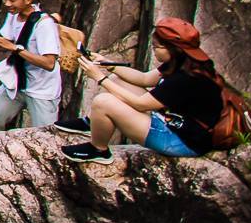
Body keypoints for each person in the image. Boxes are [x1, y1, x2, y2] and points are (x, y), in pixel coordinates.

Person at [62, 19, 229, 163]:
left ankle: (98, 150)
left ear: (172, 49)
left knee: (103, 102)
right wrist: (109, 65)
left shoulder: (186, 78)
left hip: (183, 141)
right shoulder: (185, 62)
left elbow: (140, 104)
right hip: (177, 125)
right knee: (117, 80)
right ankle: (93, 123)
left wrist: (100, 78)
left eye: (156, 47)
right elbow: (144, 79)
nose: (154, 50)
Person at [0, 0, 62, 130]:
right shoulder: (13, 15)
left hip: (41, 88)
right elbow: (7, 44)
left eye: (12, 0)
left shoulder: (44, 24)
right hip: (16, 81)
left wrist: (15, 48)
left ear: (28, 0)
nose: (7, 4)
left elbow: (49, 63)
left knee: (46, 133)